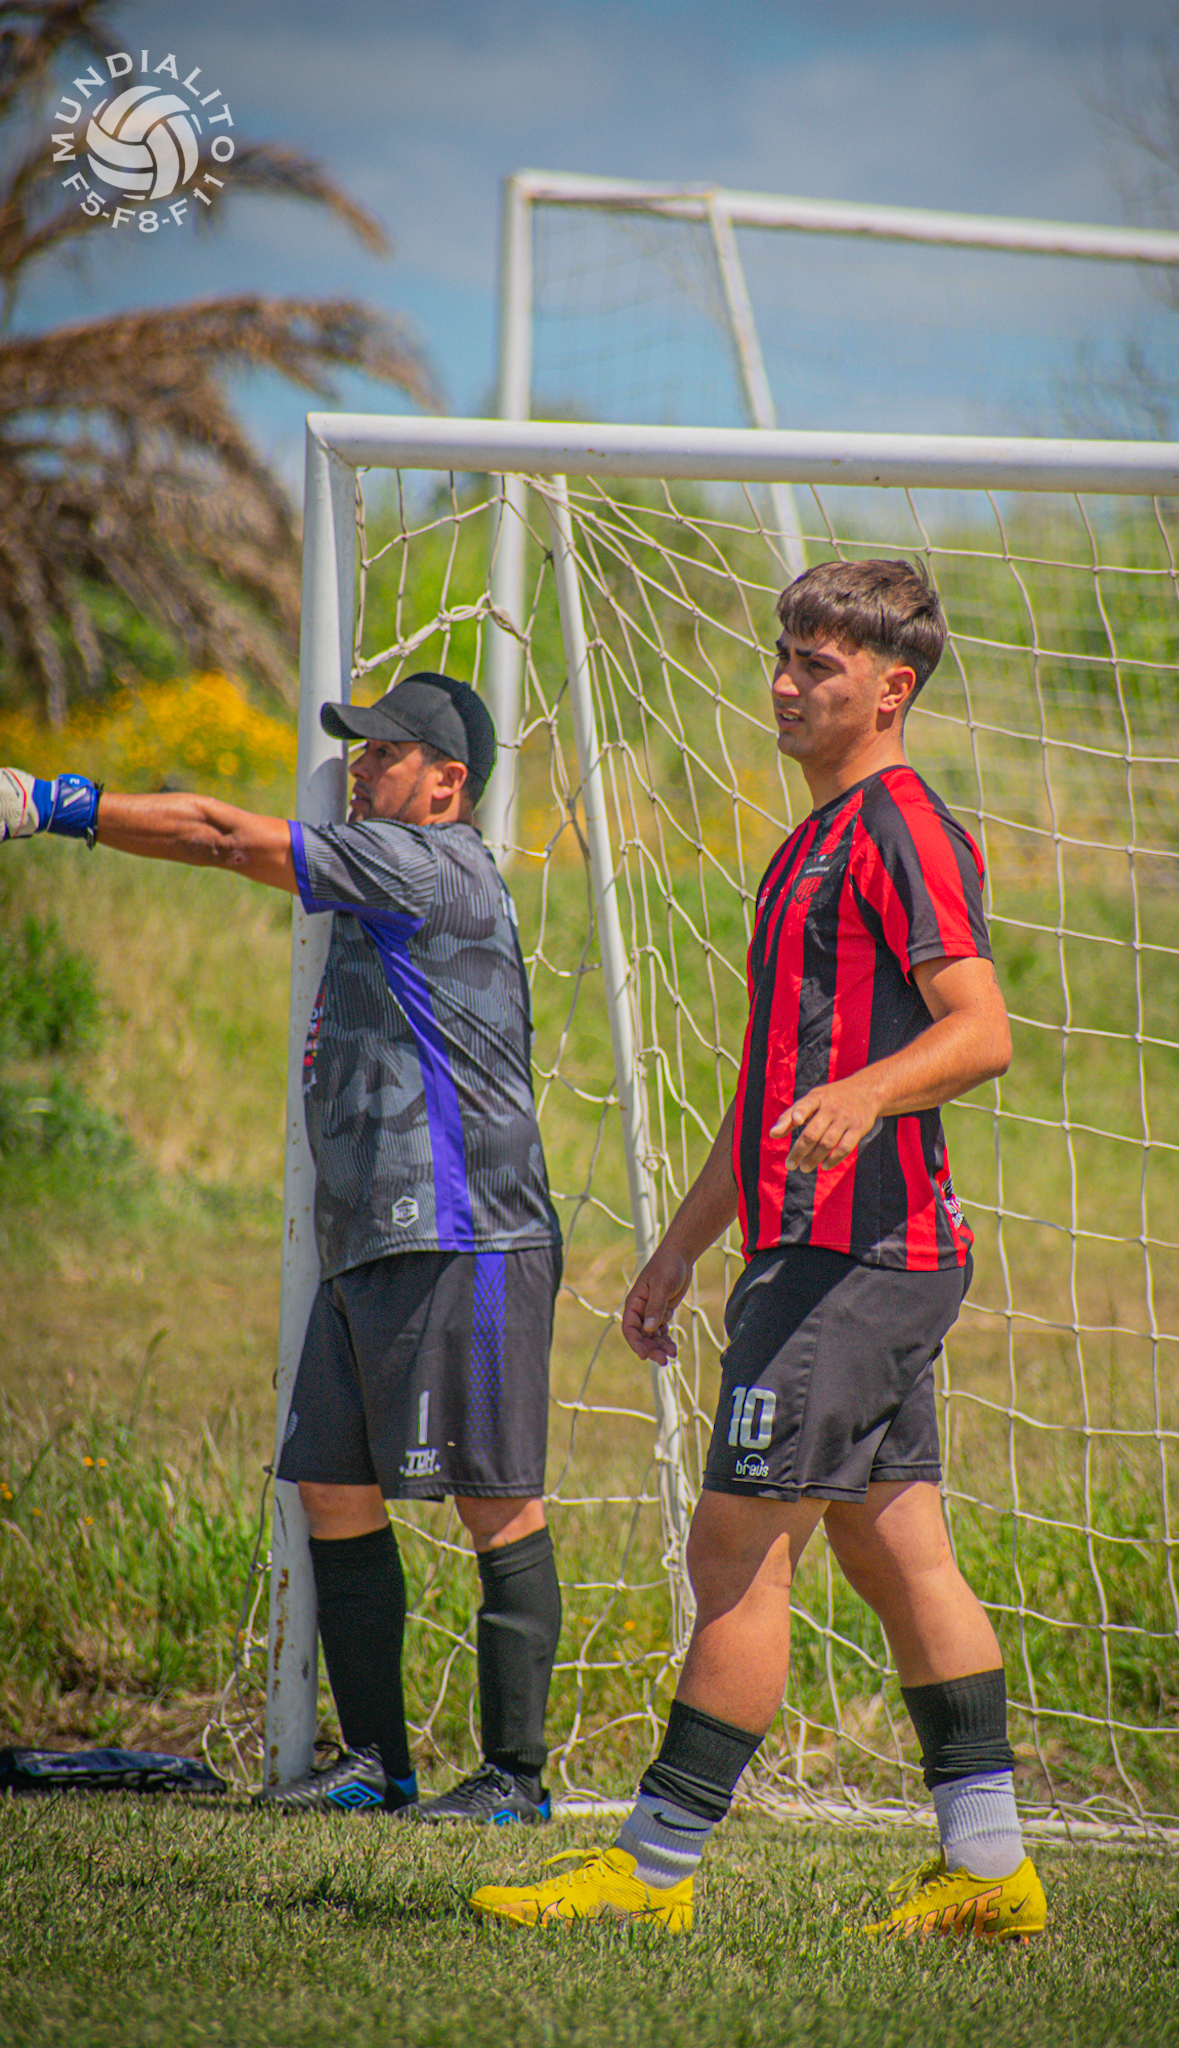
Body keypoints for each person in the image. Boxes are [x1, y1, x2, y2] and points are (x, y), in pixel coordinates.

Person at [468, 561, 1046, 1938]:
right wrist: (678, 1249)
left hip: (858, 1256)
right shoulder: (805, 844)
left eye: (818, 665)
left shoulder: (902, 827)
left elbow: (981, 1029)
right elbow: (769, 1090)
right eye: (782, 657)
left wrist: (868, 1094)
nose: (784, 685)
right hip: (823, 1252)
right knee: (898, 1553)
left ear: (892, 689)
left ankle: (649, 1873)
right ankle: (990, 1873)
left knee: (733, 1550)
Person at [0, 672, 564, 1826]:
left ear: (447, 783)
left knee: (493, 1500)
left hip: (465, 1234)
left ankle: (514, 1778)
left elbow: (219, 835)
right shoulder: (385, 861)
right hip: (370, 1237)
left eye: (385, 753)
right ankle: (377, 1763)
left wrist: (48, 803)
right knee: (331, 1488)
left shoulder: (426, 863)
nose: (359, 769)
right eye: (360, 749)